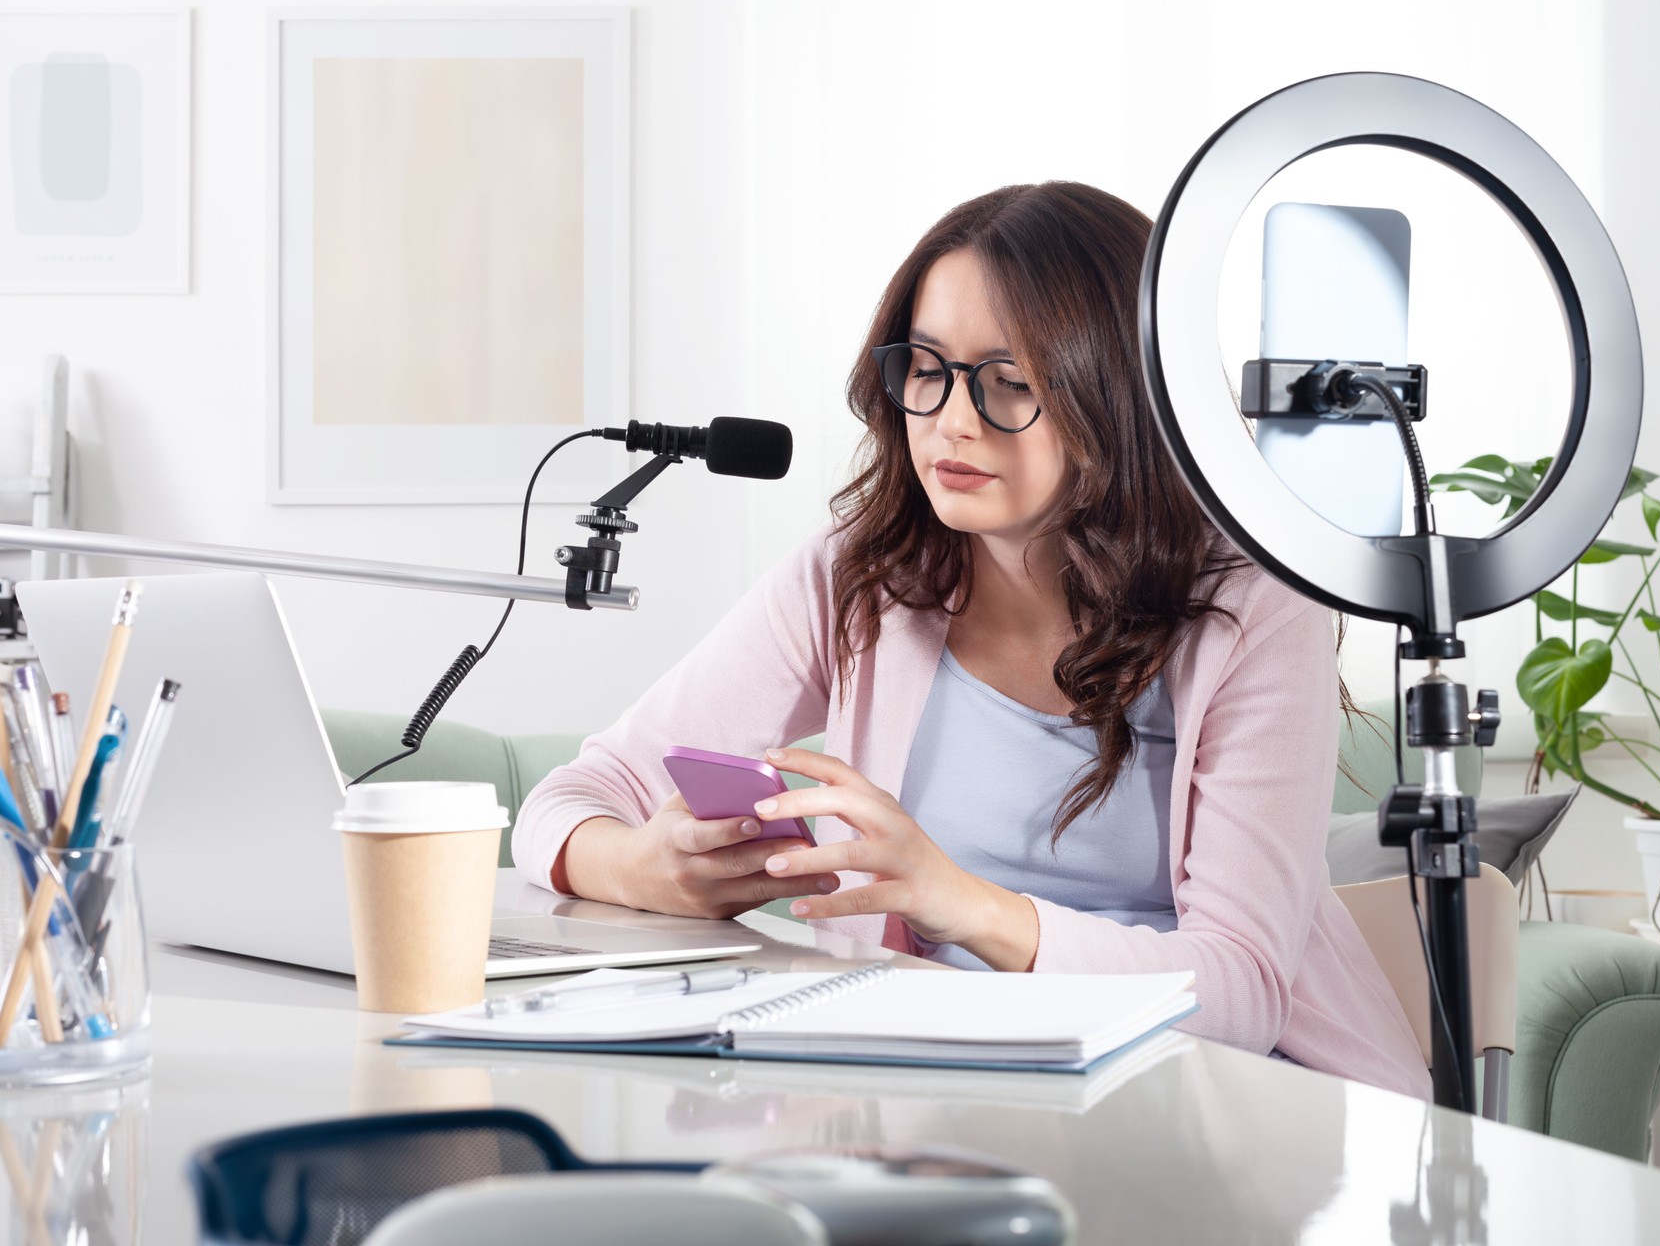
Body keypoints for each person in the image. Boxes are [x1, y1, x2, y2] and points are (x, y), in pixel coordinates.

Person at [513, 182, 1430, 1099]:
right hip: (955, 1091)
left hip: (1228, 1107)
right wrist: (643, 867)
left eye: (1011, 383)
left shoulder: (1252, 601)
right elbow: (572, 799)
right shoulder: (863, 577)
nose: (953, 419)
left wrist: (958, 902)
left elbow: (1241, 993)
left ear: (1118, 394)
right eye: (927, 368)